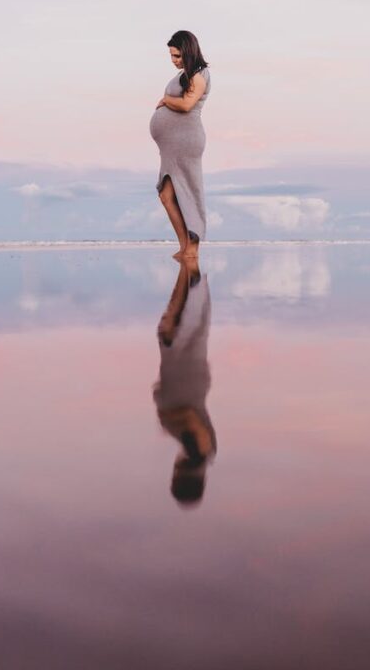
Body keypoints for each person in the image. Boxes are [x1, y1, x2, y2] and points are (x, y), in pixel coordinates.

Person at [153, 260, 216, 507]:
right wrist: (166, 417)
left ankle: (190, 262)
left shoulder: (200, 452)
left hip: (183, 365)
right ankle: (190, 259)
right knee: (190, 302)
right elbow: (188, 416)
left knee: (192, 304)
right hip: (183, 365)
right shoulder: (198, 452)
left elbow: (188, 419)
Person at [148, 30, 211, 263]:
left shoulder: (199, 76)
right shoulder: (186, 74)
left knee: (188, 191)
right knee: (166, 194)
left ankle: (192, 248)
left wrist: (165, 100)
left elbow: (186, 105)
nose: (174, 60)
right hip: (171, 146)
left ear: (188, 51)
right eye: (172, 56)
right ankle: (184, 245)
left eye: (177, 56)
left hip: (186, 142)